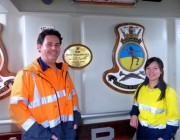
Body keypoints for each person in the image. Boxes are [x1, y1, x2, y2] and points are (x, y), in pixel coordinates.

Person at [9, 29, 81, 140]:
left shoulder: (64, 71)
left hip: (67, 130)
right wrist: (43, 135)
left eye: (57, 45)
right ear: (39, 47)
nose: (54, 48)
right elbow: (16, 110)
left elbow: (72, 95)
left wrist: (76, 116)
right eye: (49, 44)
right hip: (41, 134)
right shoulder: (26, 74)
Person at [130, 57, 179, 140]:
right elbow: (136, 105)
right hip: (141, 131)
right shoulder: (140, 88)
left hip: (158, 133)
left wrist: (165, 137)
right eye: (148, 68)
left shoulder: (169, 92)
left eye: (155, 68)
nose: (151, 71)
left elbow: (173, 120)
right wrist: (134, 115)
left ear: (161, 71)